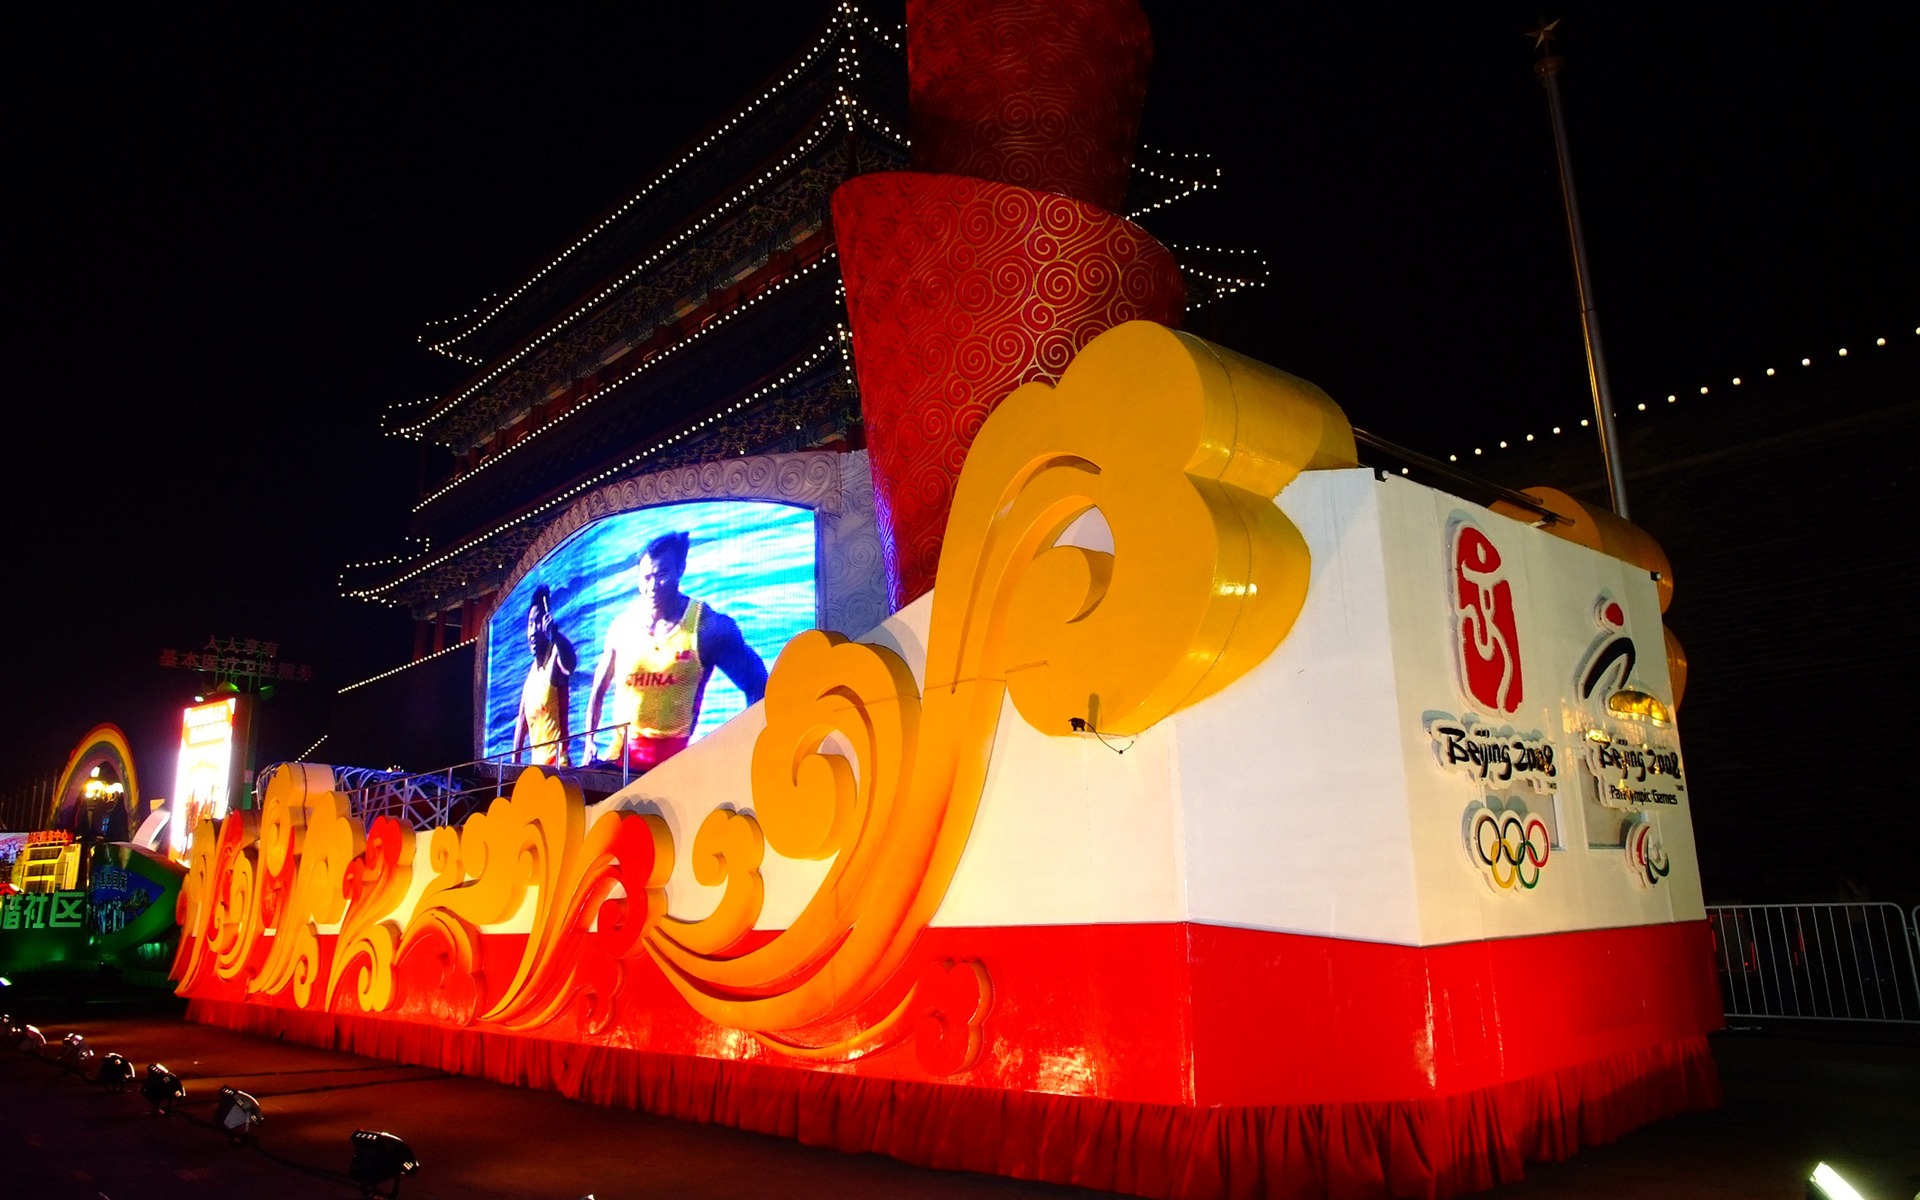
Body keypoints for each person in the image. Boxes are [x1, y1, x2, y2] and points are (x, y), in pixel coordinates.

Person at [586, 531, 768, 771]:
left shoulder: (708, 628)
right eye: (645, 577)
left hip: (673, 766)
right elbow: (598, 691)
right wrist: (589, 742)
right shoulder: (621, 627)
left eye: (661, 575)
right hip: (621, 762)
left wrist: (747, 747)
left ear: (680, 570)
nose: (652, 587)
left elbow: (758, 685)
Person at [513, 585, 577, 765]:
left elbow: (570, 663)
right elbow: (521, 725)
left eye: (538, 623)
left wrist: (556, 636)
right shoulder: (530, 677)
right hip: (537, 771)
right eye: (530, 624)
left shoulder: (555, 656)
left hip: (559, 766)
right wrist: (510, 771)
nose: (533, 631)